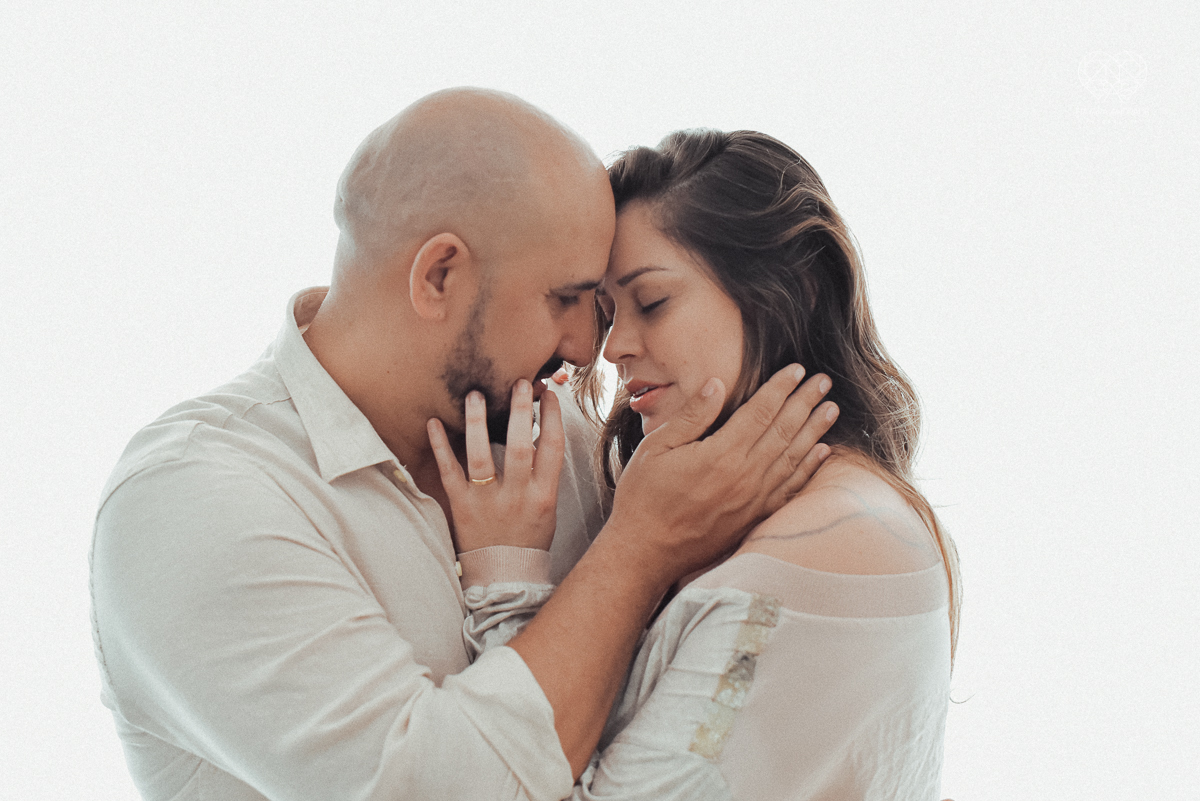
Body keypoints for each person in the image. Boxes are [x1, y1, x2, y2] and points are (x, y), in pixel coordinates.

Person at [89, 91, 839, 801]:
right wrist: (641, 548)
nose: (589, 349)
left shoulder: (570, 443)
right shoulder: (192, 502)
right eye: (566, 299)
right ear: (439, 275)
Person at [435, 129, 961, 799]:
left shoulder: (831, 543)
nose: (615, 347)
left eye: (651, 302)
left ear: (792, 287)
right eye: (607, 313)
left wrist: (503, 578)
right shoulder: (801, 518)